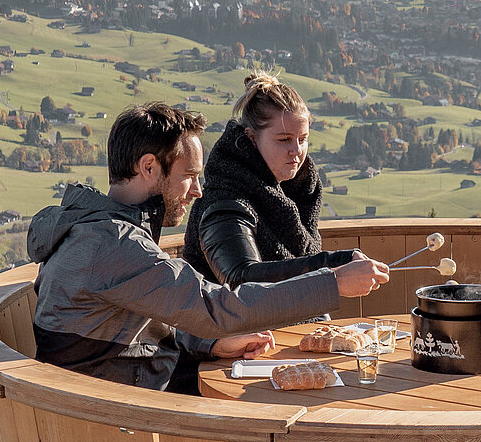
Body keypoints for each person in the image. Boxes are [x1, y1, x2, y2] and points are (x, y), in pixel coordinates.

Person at [27, 101, 387, 391]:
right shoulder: (114, 245)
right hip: (119, 416)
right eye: (188, 175)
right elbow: (220, 308)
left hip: (119, 393)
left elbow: (136, 323)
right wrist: (333, 282)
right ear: (149, 167)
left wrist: (210, 344)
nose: (198, 190)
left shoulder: (100, 230)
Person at [184, 72, 349, 286]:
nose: (296, 150)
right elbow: (240, 279)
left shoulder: (297, 193)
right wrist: (335, 266)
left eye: (303, 139)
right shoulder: (223, 204)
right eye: (284, 140)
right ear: (251, 138)